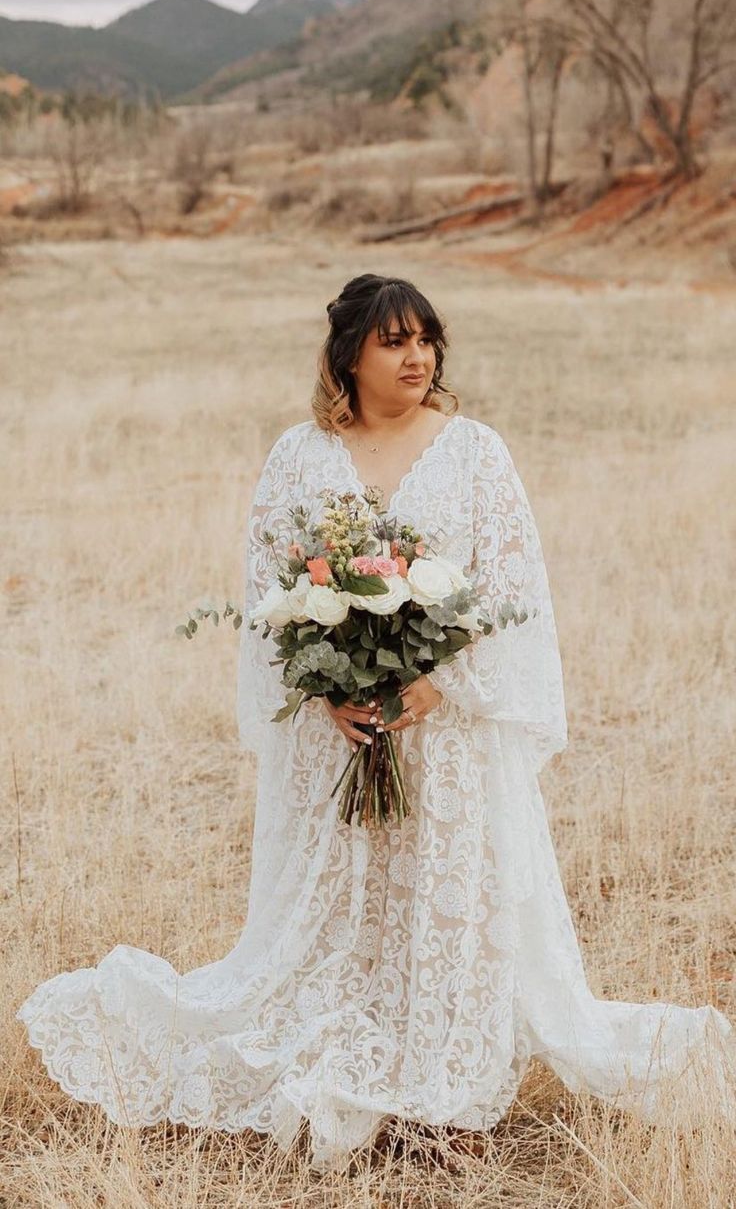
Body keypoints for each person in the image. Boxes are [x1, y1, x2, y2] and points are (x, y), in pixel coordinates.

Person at [17, 273, 734, 1172]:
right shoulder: (298, 457)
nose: (417, 356)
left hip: (449, 732)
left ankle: (440, 1088)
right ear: (348, 353)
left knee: (447, 898)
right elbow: (270, 595)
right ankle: (342, 1050)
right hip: (342, 737)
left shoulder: (476, 452)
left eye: (427, 339)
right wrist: (327, 688)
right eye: (395, 341)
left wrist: (439, 687)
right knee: (339, 906)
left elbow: (513, 596)